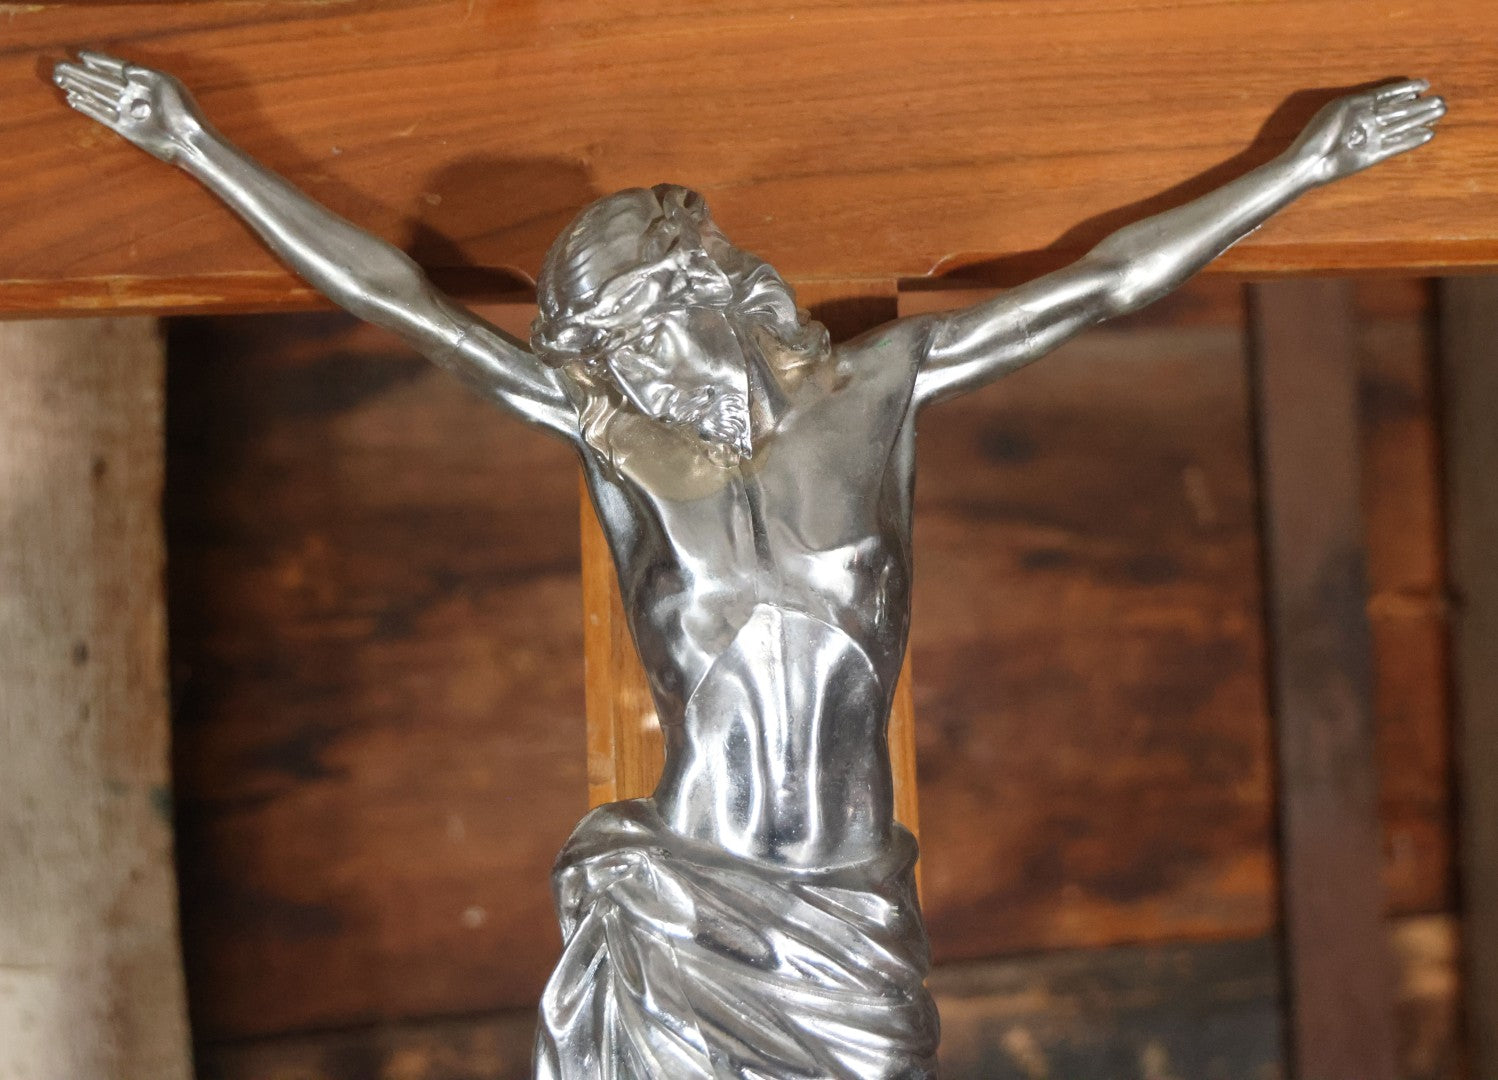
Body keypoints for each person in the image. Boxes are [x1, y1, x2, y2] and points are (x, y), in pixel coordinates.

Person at [54, 51, 1443, 1079]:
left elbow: (1101, 284)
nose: (620, 364)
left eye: (633, 326)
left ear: (706, 290)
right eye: (602, 348)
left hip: (847, 918)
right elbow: (398, 303)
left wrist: (1304, 167)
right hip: (680, 904)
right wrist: (191, 143)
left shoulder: (879, 389)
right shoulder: (611, 438)